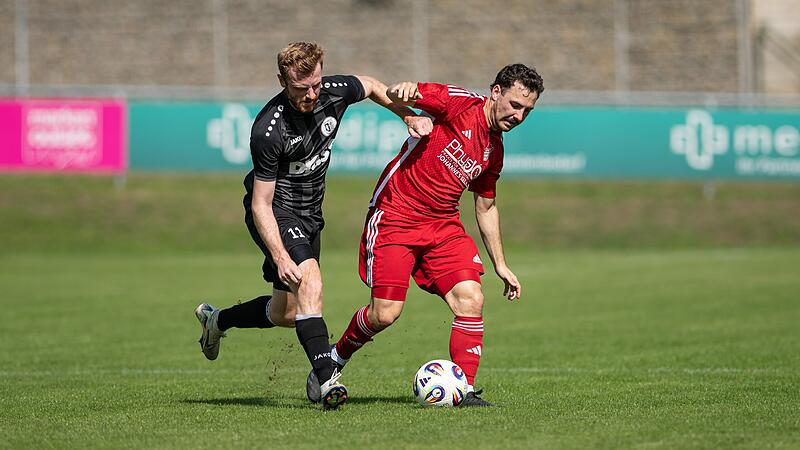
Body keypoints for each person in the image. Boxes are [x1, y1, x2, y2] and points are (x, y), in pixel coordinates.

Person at [194, 42, 432, 410]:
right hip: (278, 213)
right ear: (282, 80)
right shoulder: (268, 129)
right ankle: (327, 380)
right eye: (300, 87)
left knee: (286, 313)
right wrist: (278, 255)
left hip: (311, 216)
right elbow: (260, 203)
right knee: (311, 281)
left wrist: (406, 115)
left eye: (316, 84)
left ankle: (217, 320)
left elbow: (368, 84)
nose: (311, 94)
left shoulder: (330, 93)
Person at [307, 63, 544, 407]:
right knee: (385, 314)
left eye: (527, 110)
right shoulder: (461, 104)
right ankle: (334, 358)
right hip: (396, 216)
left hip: (443, 225)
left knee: (471, 298)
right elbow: (411, 91)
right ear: (496, 92)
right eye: (515, 105)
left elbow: (486, 207)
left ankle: (463, 392)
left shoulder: (495, 150)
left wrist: (501, 265)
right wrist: (406, 99)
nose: (519, 115)